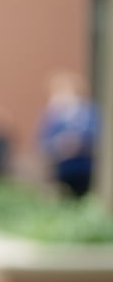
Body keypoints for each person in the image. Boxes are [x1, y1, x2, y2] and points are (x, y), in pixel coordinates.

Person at [38, 70, 99, 198]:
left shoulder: (90, 113)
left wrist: (80, 142)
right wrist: (59, 144)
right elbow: (42, 141)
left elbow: (98, 135)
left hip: (86, 168)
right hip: (61, 169)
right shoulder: (52, 116)